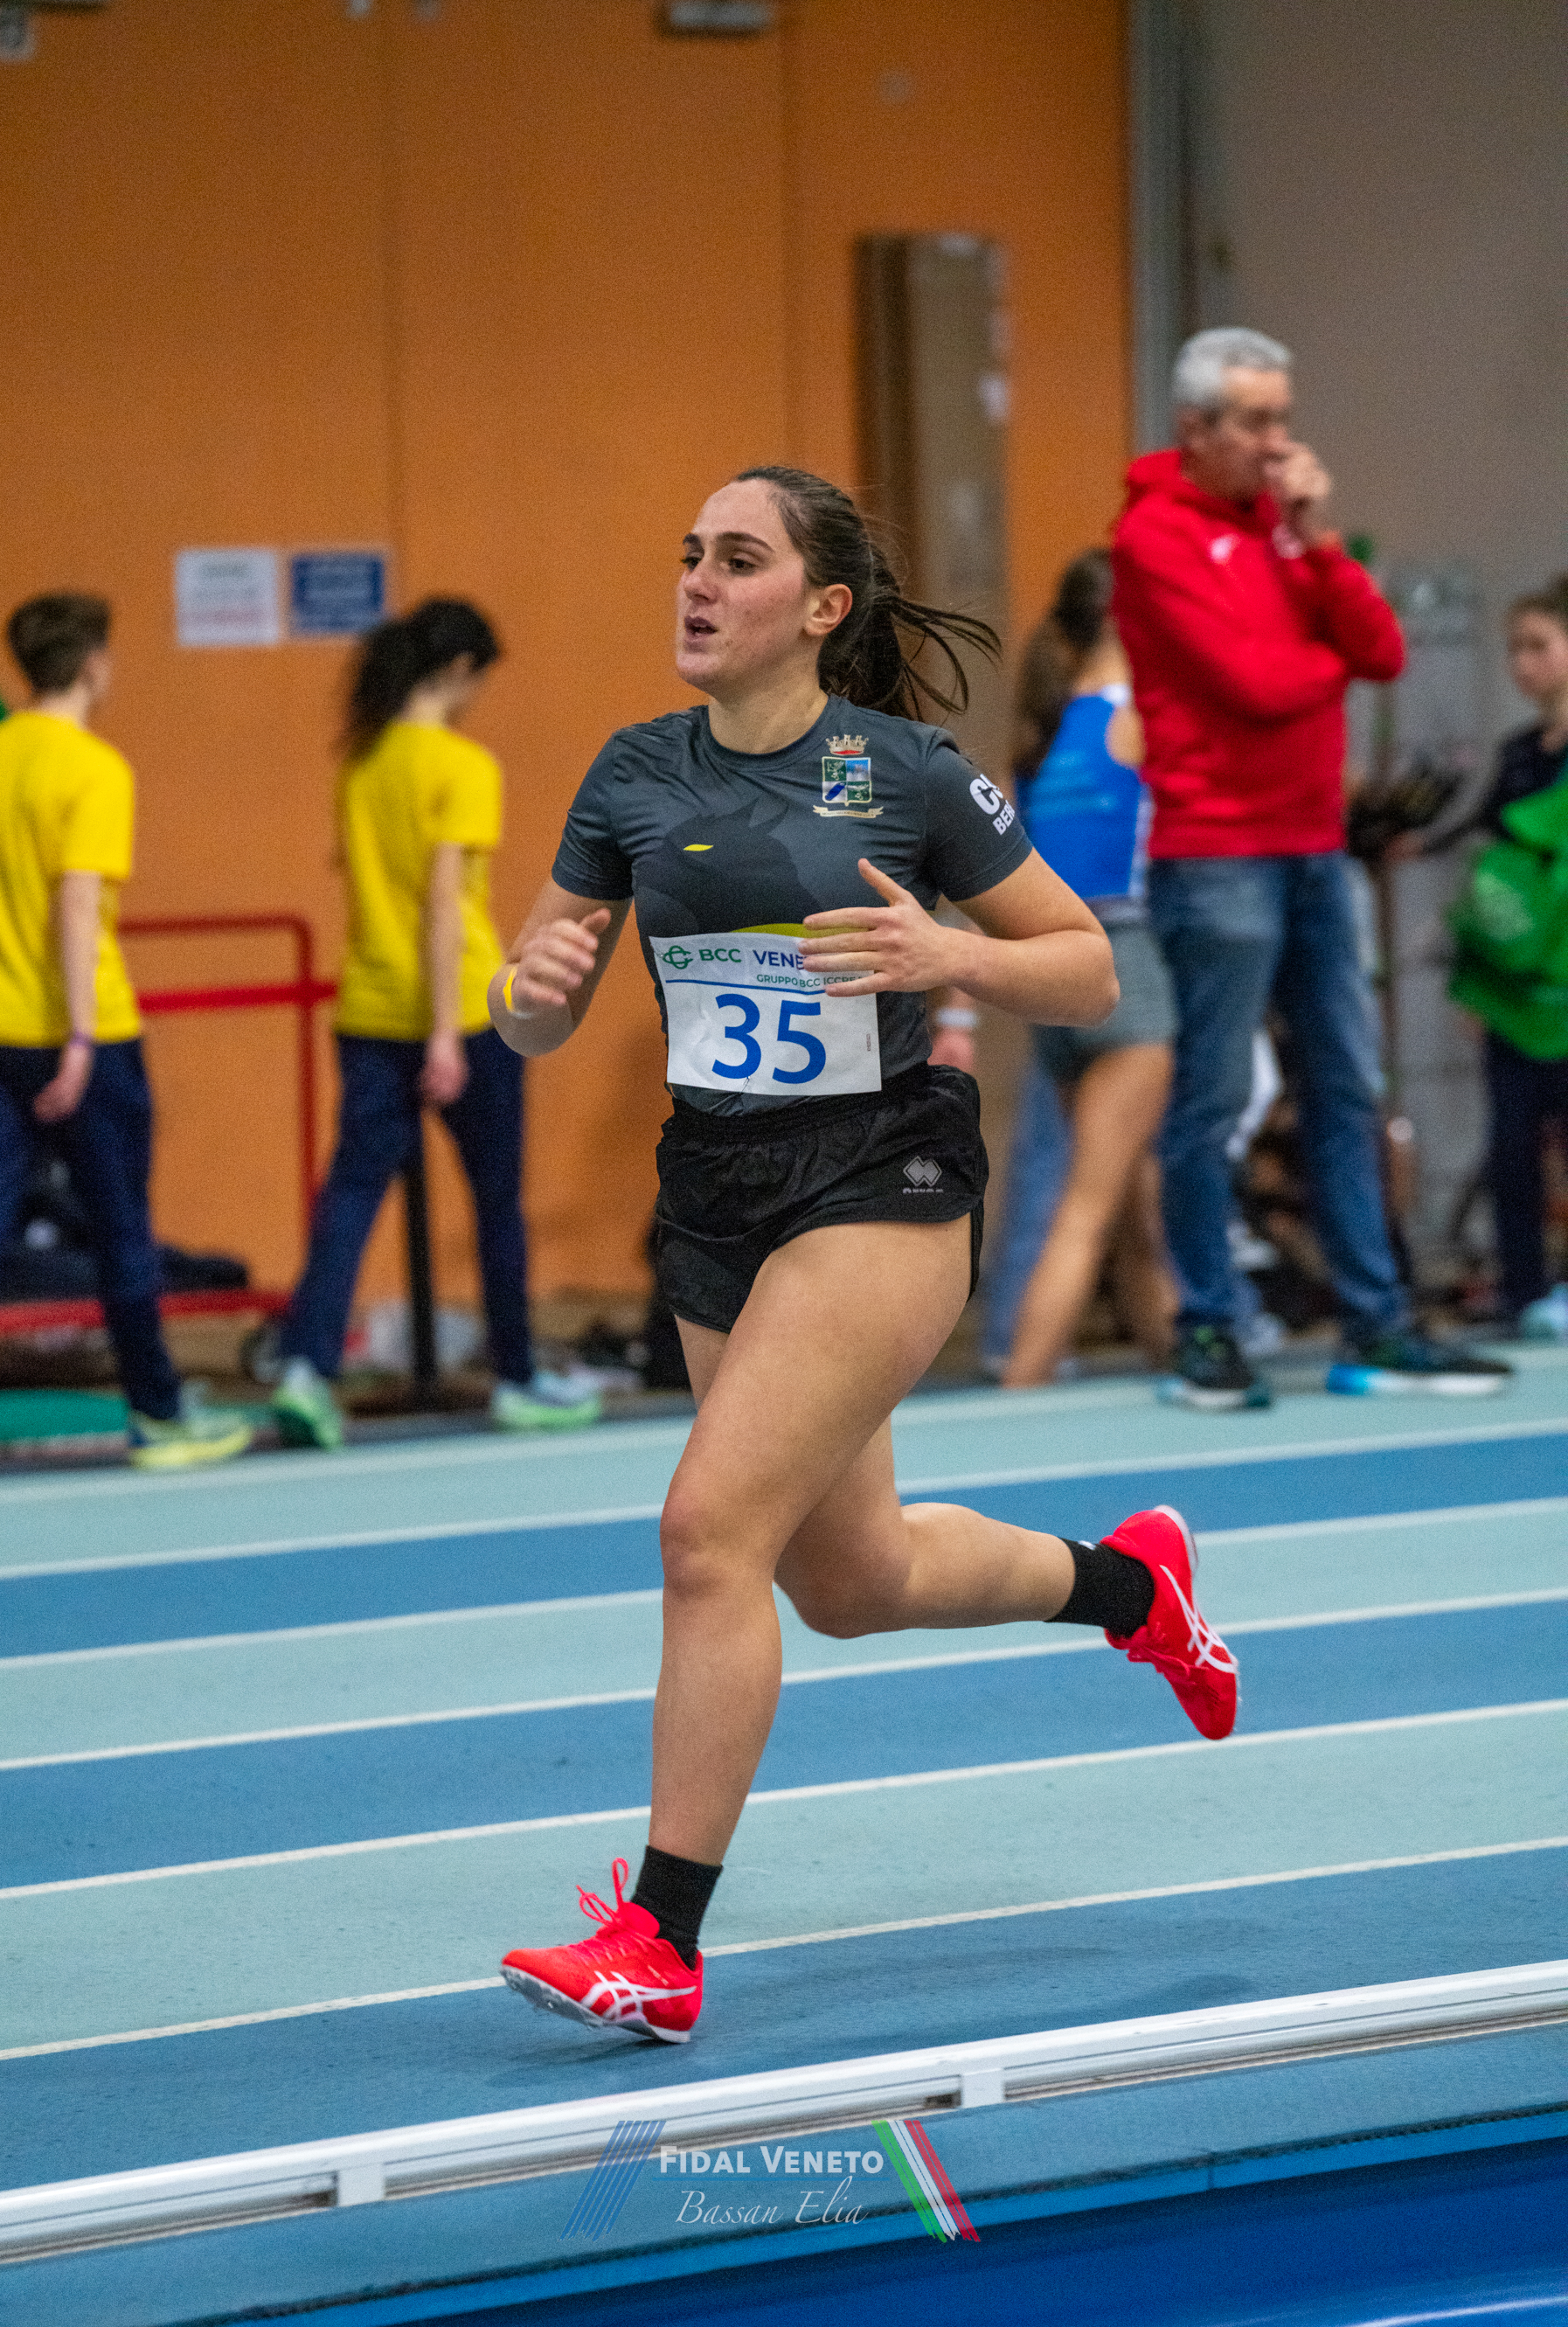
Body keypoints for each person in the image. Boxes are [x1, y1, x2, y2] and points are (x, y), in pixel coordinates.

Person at [491, 464, 1240, 2046]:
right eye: (688, 554)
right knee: (850, 1578)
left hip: (879, 1176)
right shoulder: (632, 773)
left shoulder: (908, 773)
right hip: (717, 1190)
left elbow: (1088, 969)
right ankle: (1134, 1587)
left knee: (707, 1531)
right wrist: (527, 992)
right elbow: (534, 1009)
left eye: (736, 559)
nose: (697, 582)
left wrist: (948, 950)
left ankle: (658, 1939)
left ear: (821, 607)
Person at [1113, 327, 1509, 1407]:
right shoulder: (1151, 536)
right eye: (1254, 422)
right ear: (1194, 429)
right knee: (1211, 1101)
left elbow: (1379, 651)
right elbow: (1250, 683)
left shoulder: (1289, 532)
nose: (1277, 442)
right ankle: (1206, 1327)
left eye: (1283, 419)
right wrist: (1324, 656)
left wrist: (1322, 544)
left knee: (1344, 1087)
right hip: (1214, 855)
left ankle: (1376, 1324)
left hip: (1312, 851)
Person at [272, 600, 601, 1447]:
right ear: (457, 670)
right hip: (463, 1016)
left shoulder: (362, 762)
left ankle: (306, 1369)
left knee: (350, 1195)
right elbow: (444, 908)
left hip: (367, 1009)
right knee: (496, 1201)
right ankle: (517, 1376)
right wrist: (447, 1036)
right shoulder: (464, 766)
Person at [0, 594, 252, 1467]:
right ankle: (158, 1414)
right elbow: (76, 905)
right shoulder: (93, 769)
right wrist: (80, 1039)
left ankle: (161, 1406)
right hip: (80, 1036)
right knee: (122, 1225)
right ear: (93, 662)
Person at [999, 551, 1177, 1386]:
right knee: (1087, 1212)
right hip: (1125, 975)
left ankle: (1178, 1359)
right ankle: (1020, 1386)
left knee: (1135, 1219)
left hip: (1057, 987)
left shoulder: (1039, 739)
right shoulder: (1140, 719)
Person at [1449, 575, 1568, 1339]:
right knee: (1513, 1148)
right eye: (1514, 649)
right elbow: (1489, 869)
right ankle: (1525, 1291)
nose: (1523, 663)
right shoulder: (1518, 754)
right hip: (1514, 996)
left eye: (1538, 645)